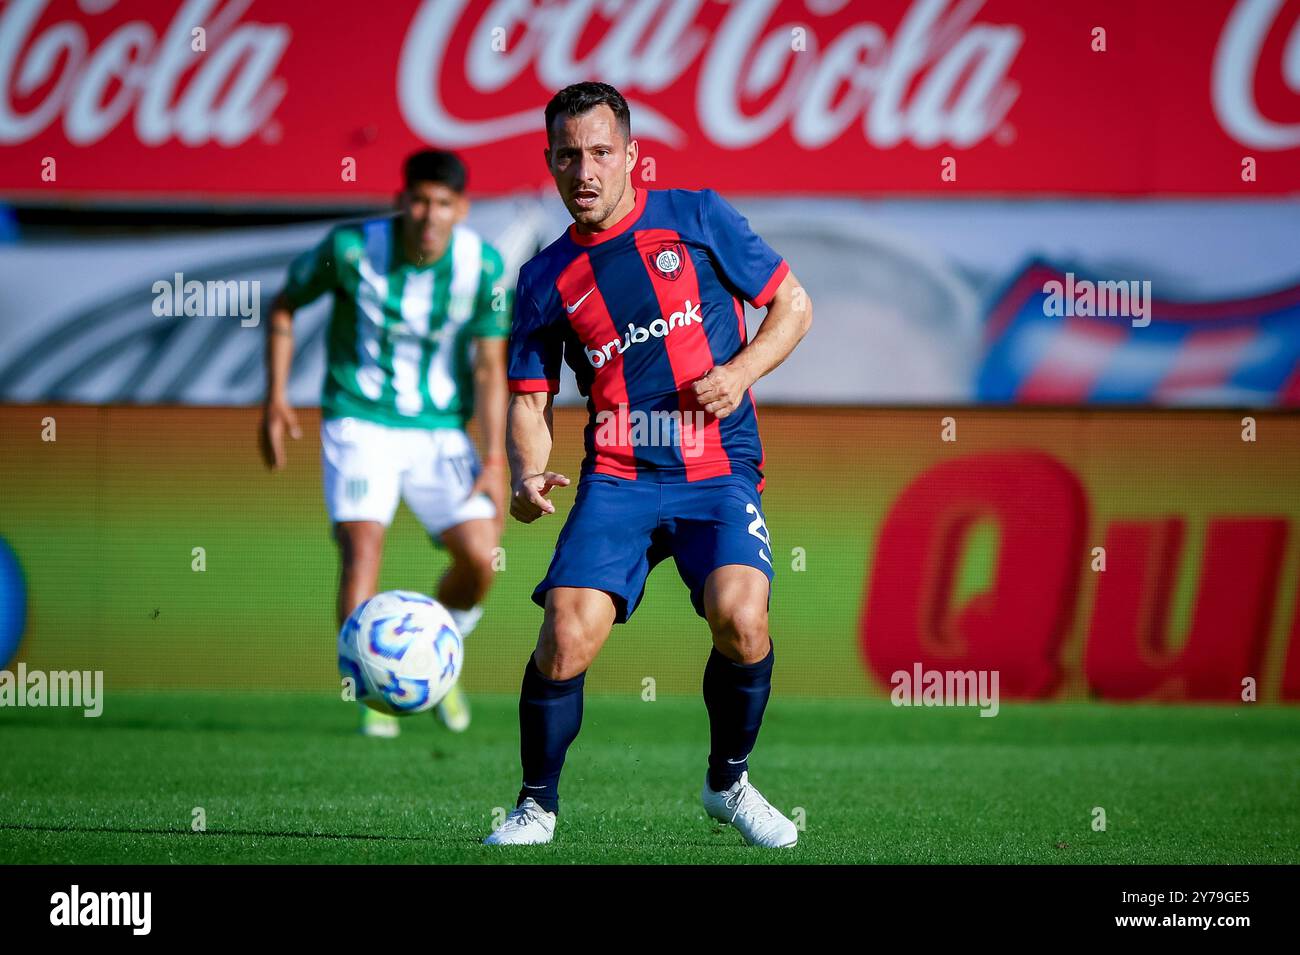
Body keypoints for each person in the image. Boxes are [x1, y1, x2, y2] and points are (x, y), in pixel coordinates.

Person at [485, 83, 812, 846]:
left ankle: (727, 781)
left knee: (742, 616)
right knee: (565, 635)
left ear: (633, 156)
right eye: (568, 155)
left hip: (715, 469)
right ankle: (536, 805)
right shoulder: (542, 280)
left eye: (601, 152)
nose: (585, 170)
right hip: (619, 475)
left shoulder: (697, 218)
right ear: (550, 162)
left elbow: (792, 304)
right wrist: (528, 473)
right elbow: (530, 402)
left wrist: (740, 373)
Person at [260, 150, 511, 737]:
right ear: (401, 200)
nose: (429, 214)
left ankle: (433, 660)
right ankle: (370, 692)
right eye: (419, 200)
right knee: (363, 549)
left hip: (438, 430)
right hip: (359, 420)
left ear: (461, 208)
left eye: (443, 203)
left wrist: (495, 457)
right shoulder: (349, 249)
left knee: (481, 556)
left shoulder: (484, 267)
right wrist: (275, 398)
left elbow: (489, 368)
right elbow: (284, 304)